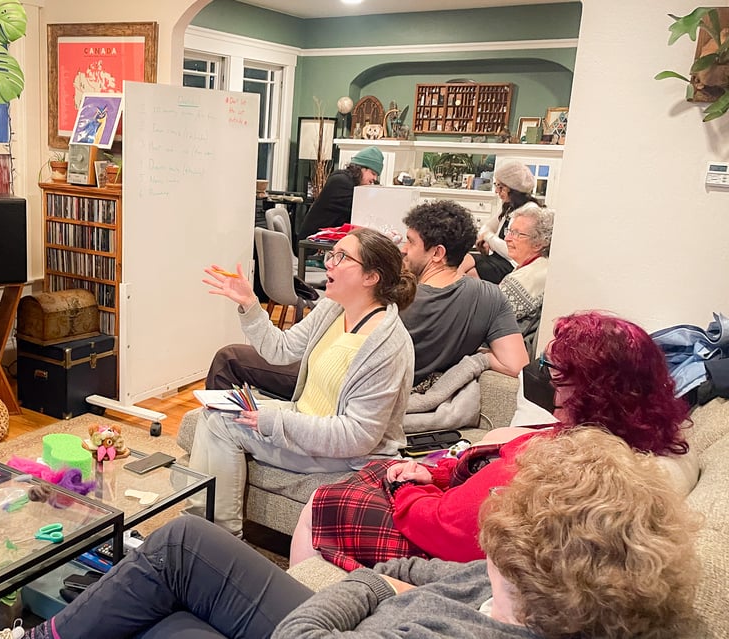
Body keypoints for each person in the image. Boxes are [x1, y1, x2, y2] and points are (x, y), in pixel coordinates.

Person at [0, 427, 702, 639]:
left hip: (328, 621)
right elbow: (441, 577)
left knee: (171, 616)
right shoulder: (536, 596)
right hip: (359, 609)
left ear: (533, 564)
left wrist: (368, 583)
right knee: (185, 546)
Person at [290, 311, 695, 570]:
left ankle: (302, 596)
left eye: (556, 371)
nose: (548, 379)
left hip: (446, 544)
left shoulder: (565, 463)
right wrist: (433, 476)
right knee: (378, 469)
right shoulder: (614, 435)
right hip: (453, 506)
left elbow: (448, 528)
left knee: (325, 499)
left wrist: (412, 487)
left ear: (589, 387)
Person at [191, 227, 416, 536]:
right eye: (331, 254)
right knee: (215, 411)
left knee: (221, 424)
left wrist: (274, 421)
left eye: (341, 257)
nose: (328, 263)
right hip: (304, 419)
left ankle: (222, 538)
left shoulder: (387, 344)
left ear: (370, 277)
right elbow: (280, 349)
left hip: (345, 456)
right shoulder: (333, 308)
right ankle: (198, 520)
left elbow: (358, 436)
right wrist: (250, 304)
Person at [206, 200, 528, 400]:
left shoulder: (390, 296)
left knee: (229, 358)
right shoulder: (488, 297)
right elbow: (517, 365)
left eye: (411, 243)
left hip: (341, 381)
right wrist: (476, 359)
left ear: (437, 253)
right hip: (397, 392)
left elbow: (289, 350)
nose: (403, 249)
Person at [460, 161, 543, 283]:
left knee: (471, 274)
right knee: (462, 261)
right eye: (496, 185)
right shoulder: (509, 206)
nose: (496, 191)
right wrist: (487, 238)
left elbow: (512, 250)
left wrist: (488, 238)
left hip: (512, 264)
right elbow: (486, 227)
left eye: (500, 187)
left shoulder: (529, 211)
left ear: (513, 189)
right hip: (497, 257)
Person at [498, 207, 554, 354]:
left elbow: (488, 316)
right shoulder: (542, 265)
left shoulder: (530, 276)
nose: (507, 238)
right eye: (509, 231)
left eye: (517, 234)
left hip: (510, 351)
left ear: (539, 243)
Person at [297, 146, 383, 239]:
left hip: (327, 239)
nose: (374, 179)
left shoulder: (350, 182)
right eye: (373, 173)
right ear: (362, 168)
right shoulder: (341, 182)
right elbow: (359, 212)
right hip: (313, 242)